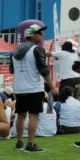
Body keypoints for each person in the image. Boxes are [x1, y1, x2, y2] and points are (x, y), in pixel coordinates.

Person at [10, 23, 57, 153]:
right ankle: (30, 144)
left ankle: (19, 142)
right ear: (33, 35)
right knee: (33, 116)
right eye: (40, 33)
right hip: (34, 88)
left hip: (19, 89)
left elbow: (11, 69)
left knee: (21, 115)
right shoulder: (37, 49)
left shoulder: (14, 52)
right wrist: (52, 87)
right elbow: (44, 70)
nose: (42, 35)